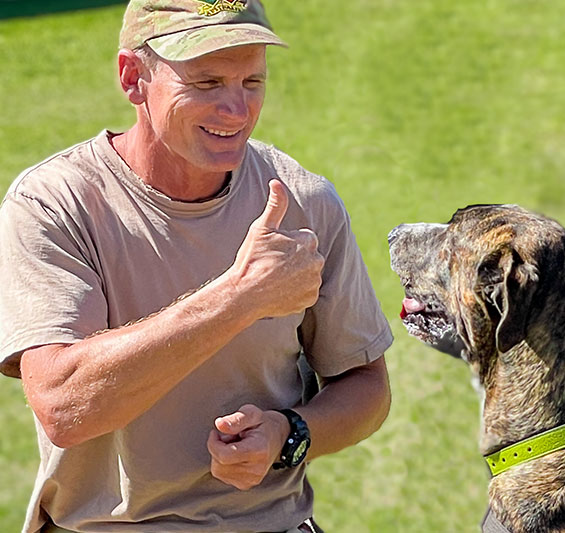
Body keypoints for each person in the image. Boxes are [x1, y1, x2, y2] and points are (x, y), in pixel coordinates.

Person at [0, 1, 393, 532]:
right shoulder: (54, 205)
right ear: (133, 77)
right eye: (207, 83)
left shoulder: (304, 201)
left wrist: (289, 433)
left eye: (252, 81)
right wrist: (240, 296)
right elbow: (65, 407)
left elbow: (366, 385)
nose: (236, 110)